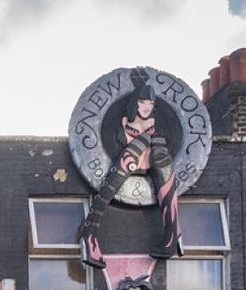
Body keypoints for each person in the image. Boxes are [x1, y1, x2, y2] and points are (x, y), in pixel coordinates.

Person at [76, 79, 182, 268]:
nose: (146, 107)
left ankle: (90, 231)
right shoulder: (125, 122)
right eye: (142, 102)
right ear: (135, 103)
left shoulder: (157, 125)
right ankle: (174, 231)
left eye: (150, 103)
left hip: (150, 161)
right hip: (130, 163)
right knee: (132, 155)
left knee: (158, 151)